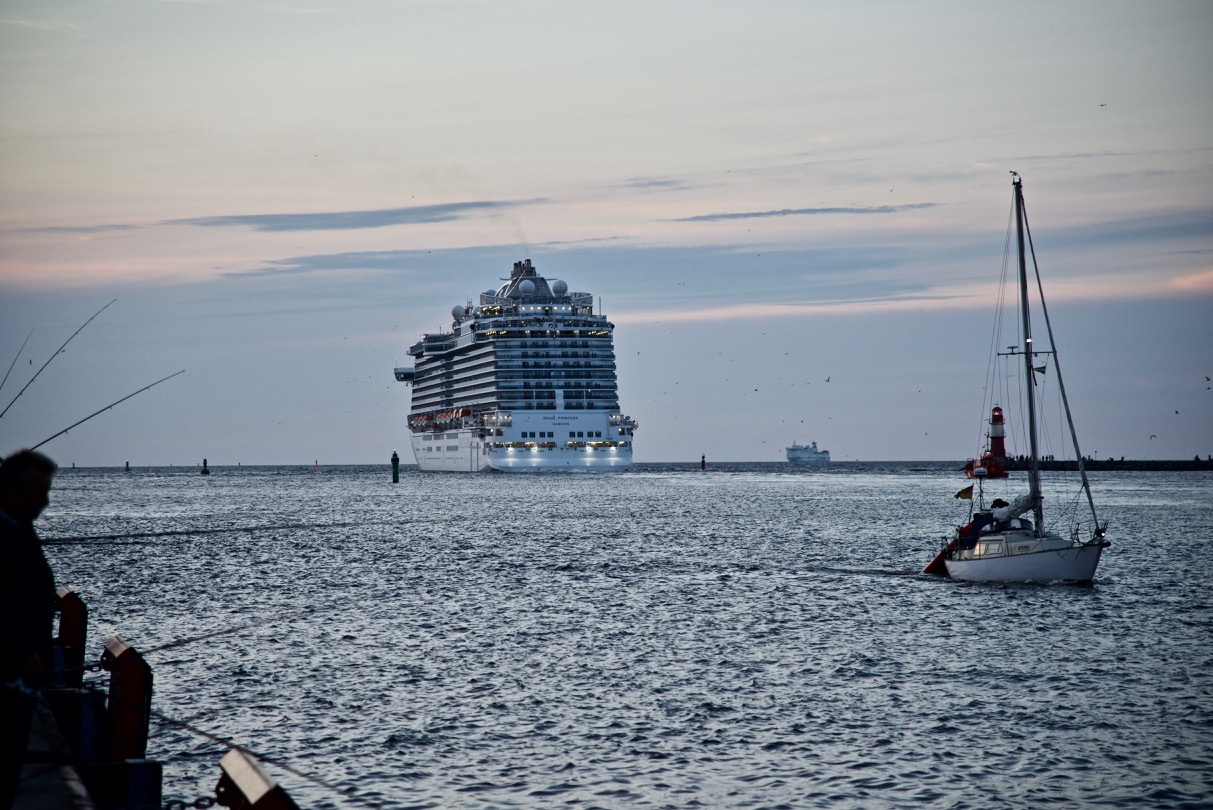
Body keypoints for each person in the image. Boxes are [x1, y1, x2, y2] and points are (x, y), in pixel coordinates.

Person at [0, 450, 58, 810]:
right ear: (14, 490)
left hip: (20, 678)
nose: (45, 502)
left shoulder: (19, 527)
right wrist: (22, 652)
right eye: (38, 493)